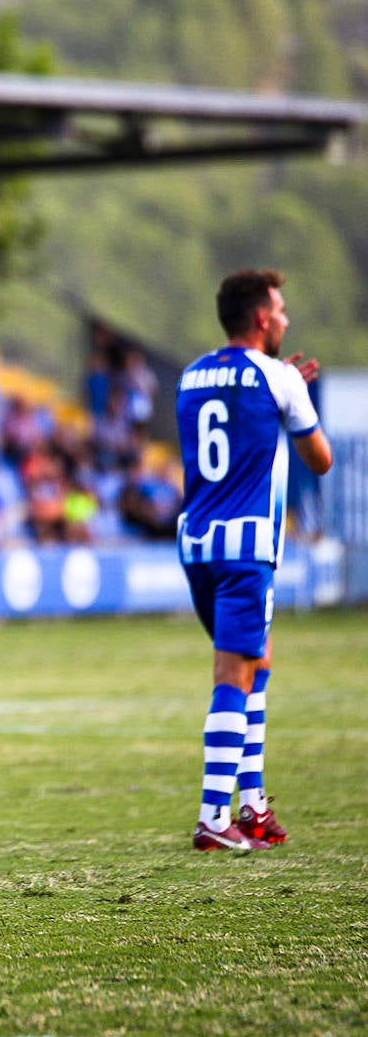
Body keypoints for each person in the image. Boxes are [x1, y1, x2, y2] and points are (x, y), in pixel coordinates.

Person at [176, 269, 332, 853]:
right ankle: (215, 815)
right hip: (246, 548)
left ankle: (253, 803)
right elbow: (320, 460)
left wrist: (279, 390)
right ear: (262, 318)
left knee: (254, 661)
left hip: (197, 542)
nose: (286, 317)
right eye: (281, 309)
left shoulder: (192, 375)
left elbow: (233, 424)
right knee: (233, 674)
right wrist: (293, 397)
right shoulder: (281, 378)